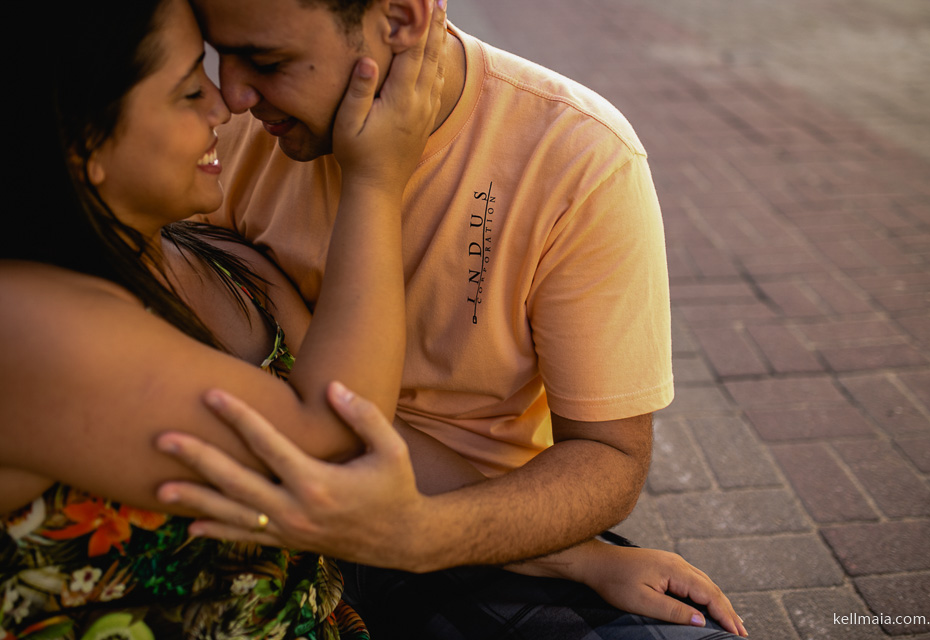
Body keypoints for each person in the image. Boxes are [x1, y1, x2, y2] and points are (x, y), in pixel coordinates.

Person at [155, 0, 748, 637]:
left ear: (402, 19)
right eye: (223, 55)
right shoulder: (218, 144)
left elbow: (608, 455)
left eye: (268, 61)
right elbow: (315, 407)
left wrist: (433, 538)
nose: (235, 95)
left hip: (479, 525)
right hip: (265, 506)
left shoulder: (576, 156)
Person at [0, 0, 446, 636]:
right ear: (82, 141)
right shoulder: (25, 324)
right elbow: (336, 431)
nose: (226, 102)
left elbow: (393, 444)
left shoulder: (231, 267)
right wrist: (375, 179)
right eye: (189, 90)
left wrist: (570, 552)